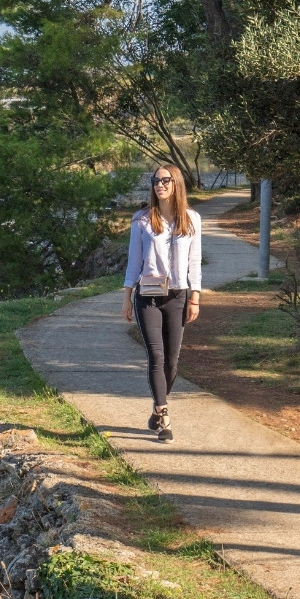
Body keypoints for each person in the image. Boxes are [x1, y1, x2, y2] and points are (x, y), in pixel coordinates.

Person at [122, 165, 202, 443]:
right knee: (156, 356)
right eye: (156, 181)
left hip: (178, 296)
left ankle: (157, 405)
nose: (160, 185)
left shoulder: (191, 219)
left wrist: (195, 296)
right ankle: (164, 414)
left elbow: (194, 261)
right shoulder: (142, 220)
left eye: (165, 180)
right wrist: (127, 297)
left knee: (172, 361)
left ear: (176, 183)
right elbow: (134, 261)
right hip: (148, 296)